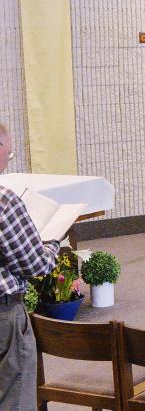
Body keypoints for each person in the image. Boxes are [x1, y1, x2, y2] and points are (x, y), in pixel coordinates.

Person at [0, 122, 61, 410]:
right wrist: (52, 244)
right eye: (9, 155)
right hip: (4, 319)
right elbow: (34, 263)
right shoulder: (5, 201)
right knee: (14, 398)